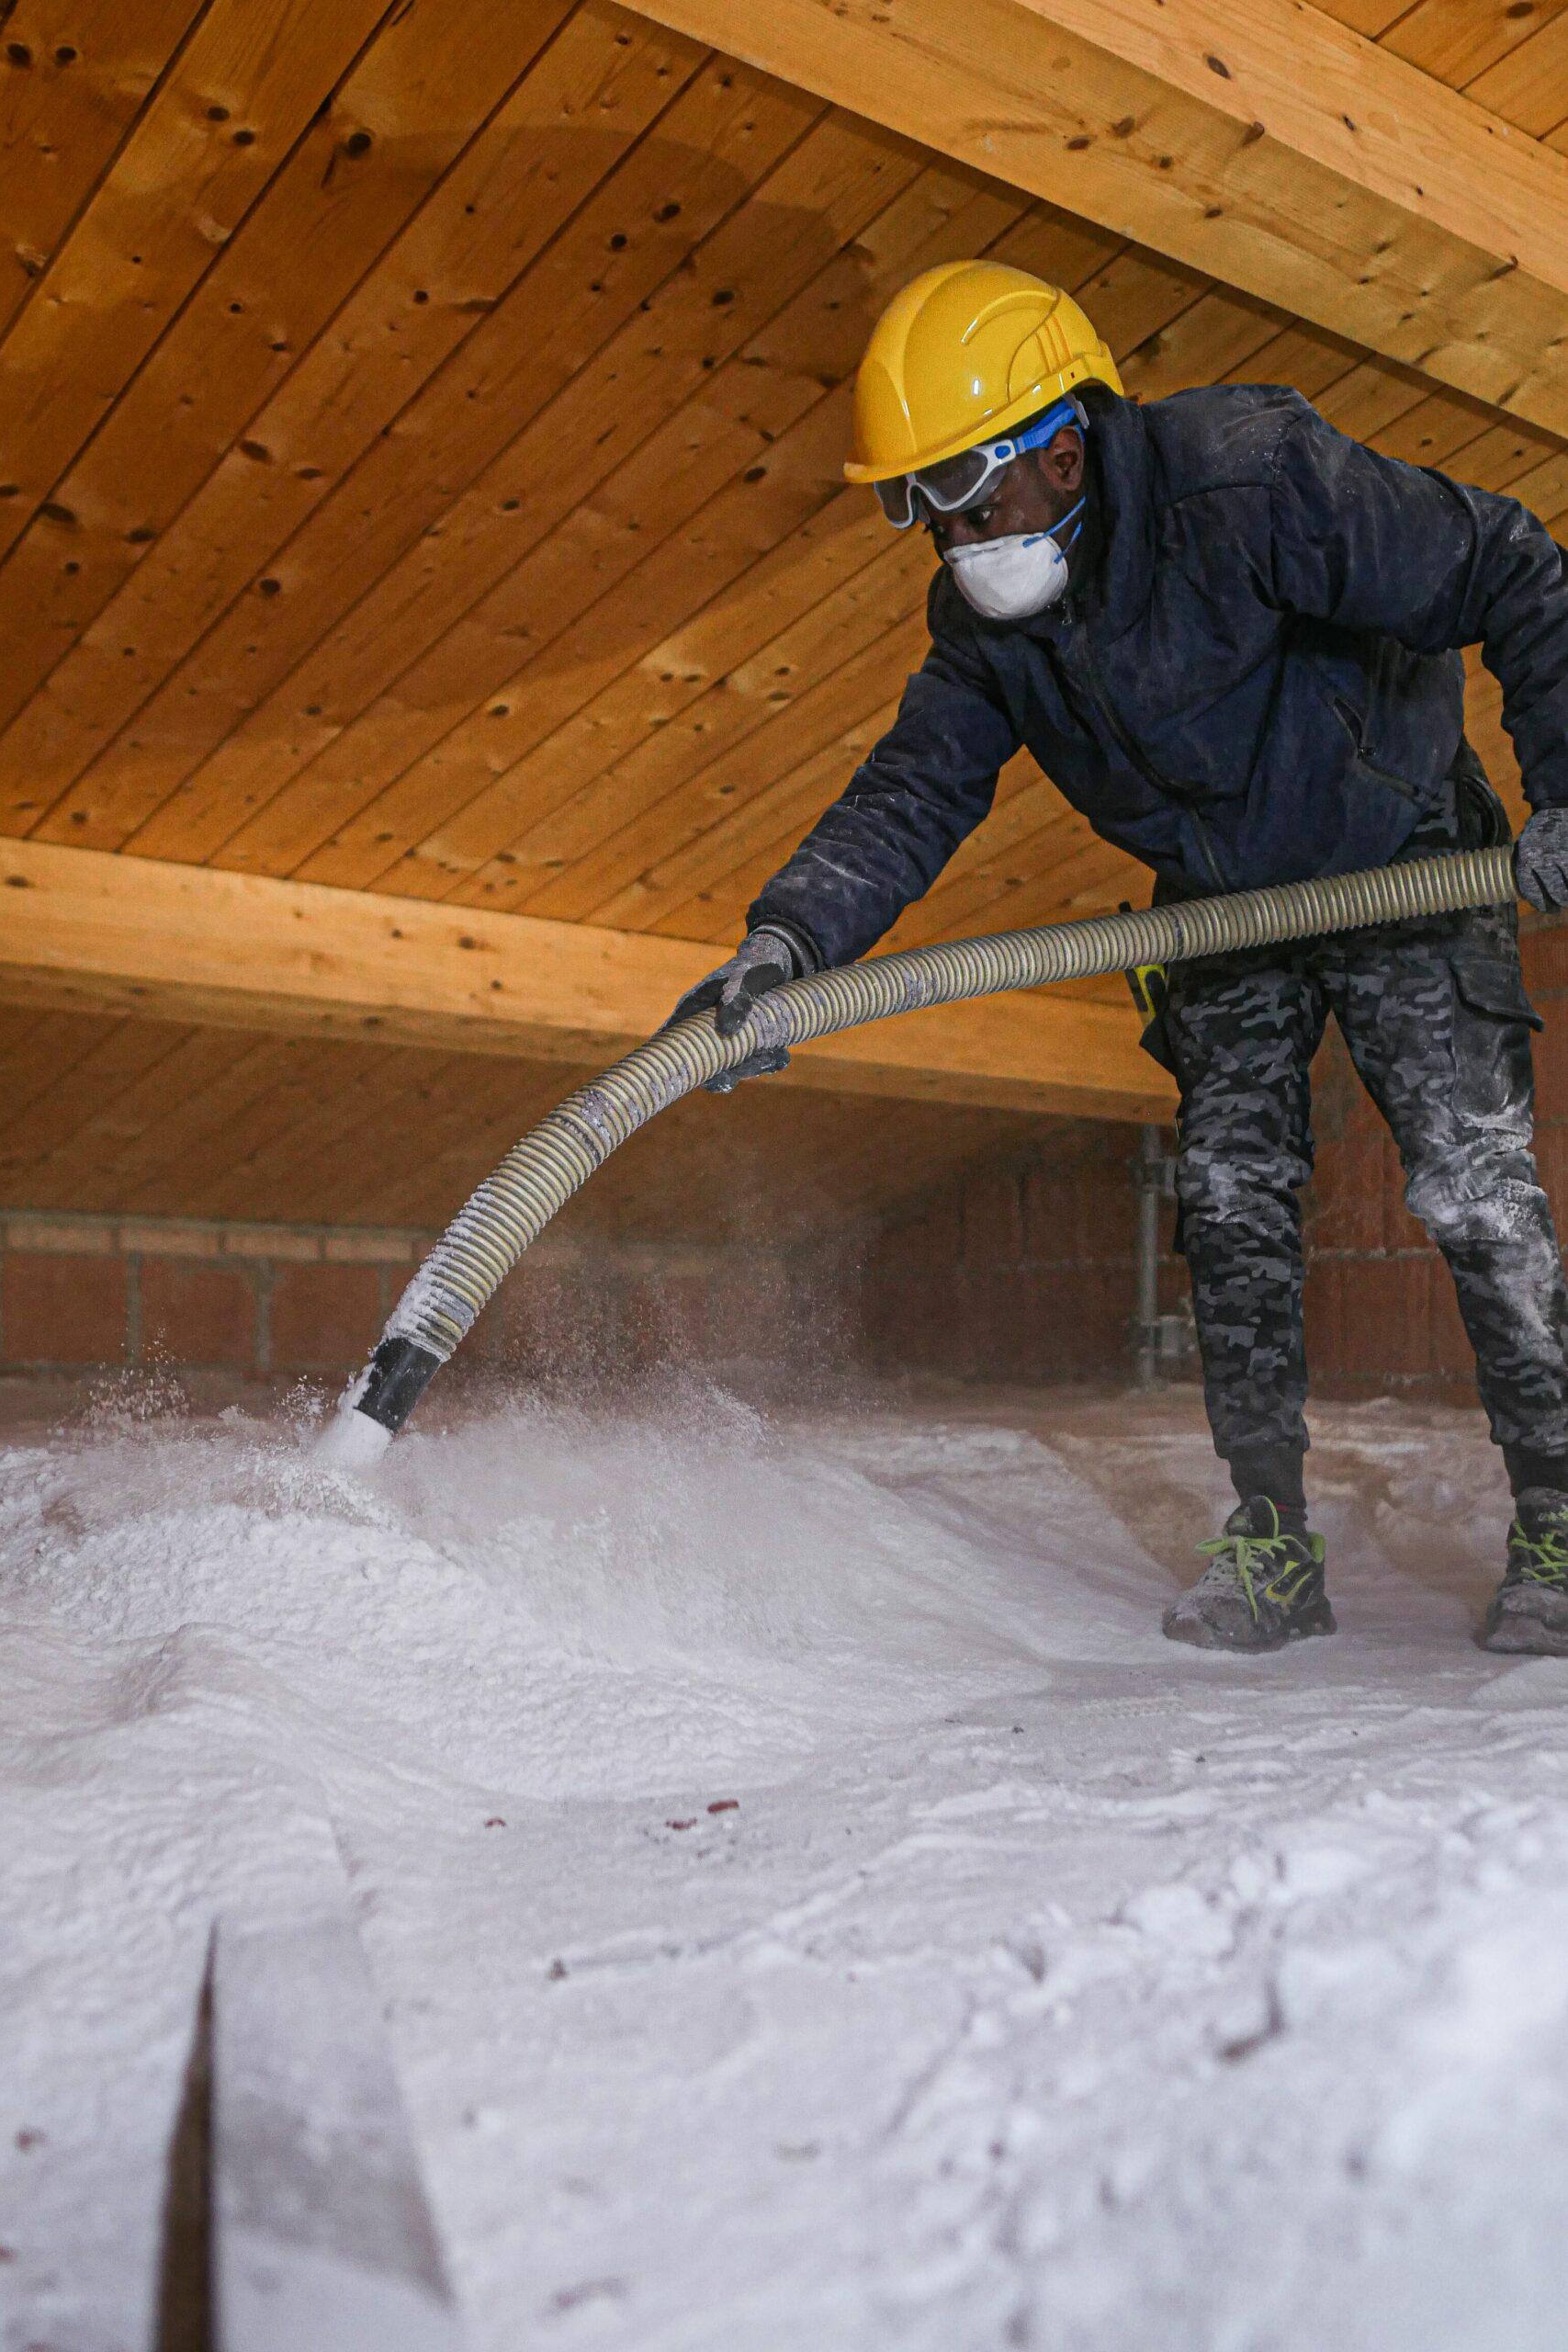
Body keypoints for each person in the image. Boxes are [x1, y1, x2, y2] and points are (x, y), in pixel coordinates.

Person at [669, 259, 1568, 1657]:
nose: (953, 536)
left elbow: (1510, 562)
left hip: (1402, 849)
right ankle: (1271, 1542)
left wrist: (1567, 787)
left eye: (971, 496)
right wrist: (789, 941)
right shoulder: (989, 628)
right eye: (918, 506)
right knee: (1231, 1209)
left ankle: (1561, 1521)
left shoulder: (1256, 481)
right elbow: (912, 791)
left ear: (1067, 447)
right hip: (1220, 908)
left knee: (1473, 1190)